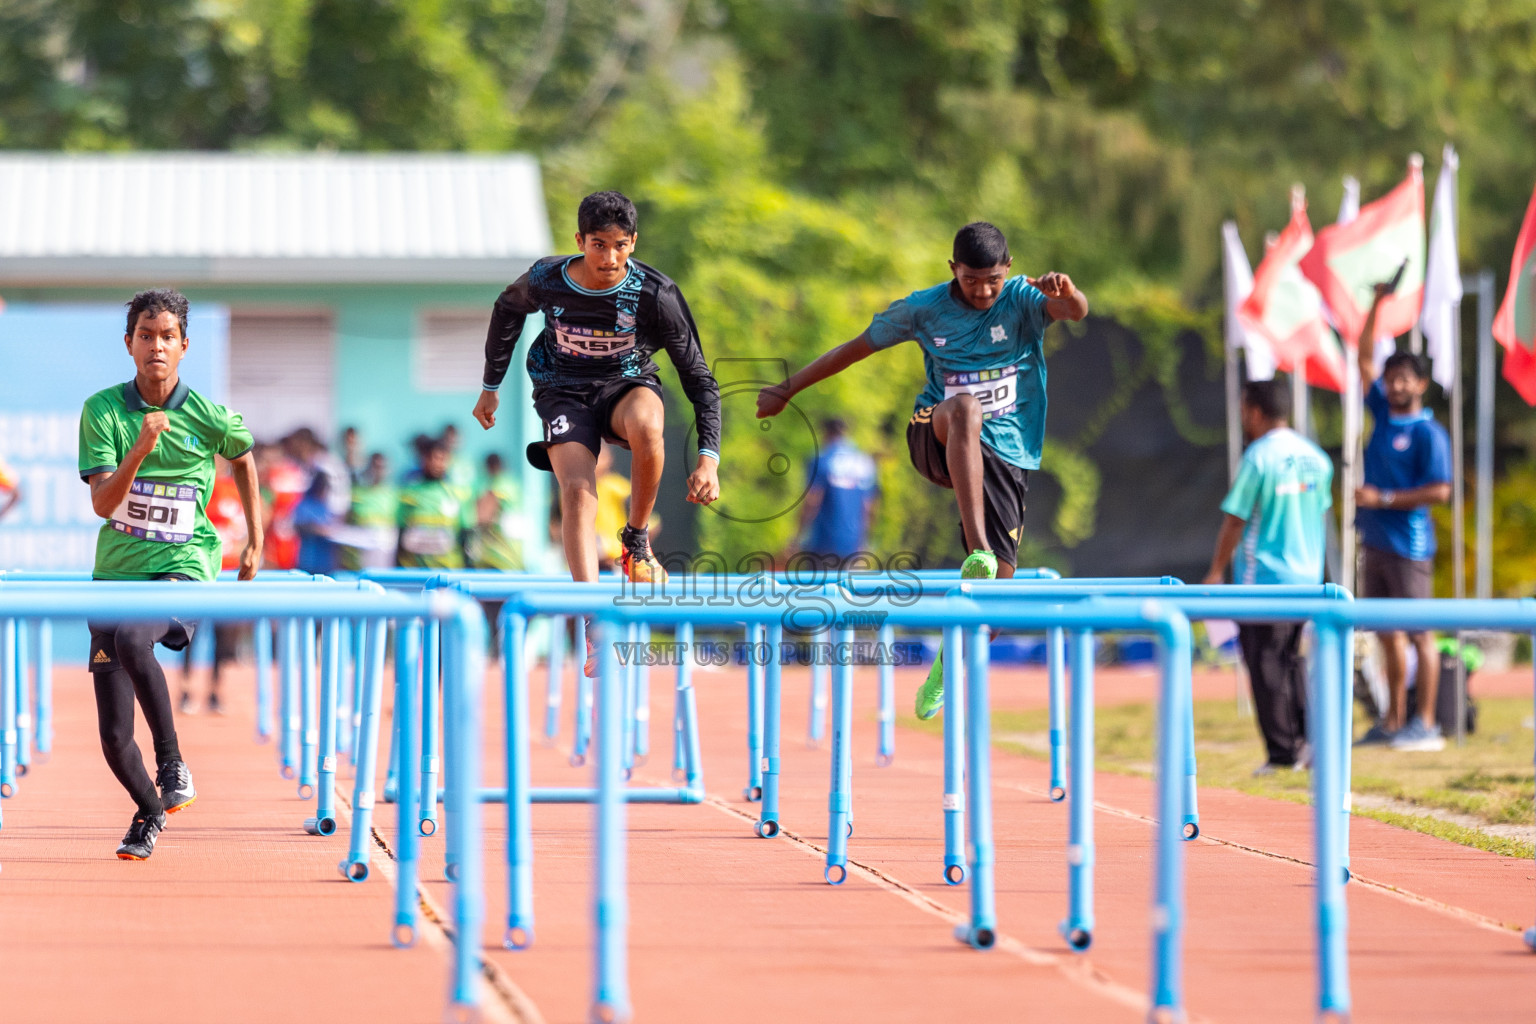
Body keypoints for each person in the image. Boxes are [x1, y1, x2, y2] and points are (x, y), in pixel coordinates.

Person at [756, 222, 1088, 719]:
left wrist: (1071, 293)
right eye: (972, 279)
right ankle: (977, 548)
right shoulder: (924, 308)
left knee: (997, 598)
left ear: (1009, 269)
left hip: (1006, 454)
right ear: (953, 268)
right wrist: (788, 390)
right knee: (966, 409)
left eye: (992, 279)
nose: (982, 290)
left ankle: (946, 663)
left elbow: (1072, 311)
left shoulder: (1021, 298)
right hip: (935, 433)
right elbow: (854, 348)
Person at [78, 288, 262, 860]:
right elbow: (104, 504)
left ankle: (172, 761)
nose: (155, 346)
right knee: (111, 737)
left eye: (166, 337)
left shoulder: (208, 415)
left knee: (136, 636)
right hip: (116, 575)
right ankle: (150, 812)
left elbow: (245, 460)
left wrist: (254, 540)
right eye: (145, 336)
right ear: (129, 344)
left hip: (185, 568)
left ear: (183, 345)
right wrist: (140, 447)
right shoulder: (104, 410)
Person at [473, 190, 722, 587]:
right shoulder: (546, 279)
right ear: (580, 242)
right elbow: (507, 308)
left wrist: (709, 457)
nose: (609, 259)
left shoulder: (655, 293)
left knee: (647, 424)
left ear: (634, 242)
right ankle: (588, 615)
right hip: (562, 390)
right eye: (598, 246)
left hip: (625, 384)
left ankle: (636, 543)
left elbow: (698, 376)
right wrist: (491, 385)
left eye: (620, 247)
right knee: (576, 492)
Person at [1203, 379, 1333, 774]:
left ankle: (1282, 754)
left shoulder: (1259, 457)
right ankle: (1307, 744)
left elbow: (1236, 519)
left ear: (1255, 411)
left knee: (1265, 665)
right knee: (1291, 660)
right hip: (1306, 578)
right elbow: (1319, 511)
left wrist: (1215, 571)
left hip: (1264, 582)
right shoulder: (1316, 457)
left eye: (1244, 409)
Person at [1354, 284, 1454, 752]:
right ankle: (1394, 721)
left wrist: (1383, 498)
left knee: (1419, 635)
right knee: (1386, 635)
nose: (1394, 384)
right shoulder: (1381, 413)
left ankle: (1428, 723)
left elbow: (1441, 490)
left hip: (1409, 545)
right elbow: (1363, 360)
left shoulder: (1428, 432)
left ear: (1421, 385)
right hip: (1373, 542)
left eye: (1404, 378)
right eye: (1390, 377)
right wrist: (1376, 304)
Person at [181, 457, 247, 714]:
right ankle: (186, 691)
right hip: (199, 572)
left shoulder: (235, 491)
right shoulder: (196, 490)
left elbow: (243, 533)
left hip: (227, 573)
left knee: (224, 637)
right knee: (189, 634)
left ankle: (215, 692)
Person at [789, 418, 879, 563]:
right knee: (846, 585)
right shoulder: (865, 463)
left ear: (826, 433)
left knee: (817, 585)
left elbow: (812, 501)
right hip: (853, 544)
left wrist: (797, 536)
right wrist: (865, 540)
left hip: (822, 542)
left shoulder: (822, 459)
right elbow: (869, 507)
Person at [396, 439, 473, 569]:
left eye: (441, 458)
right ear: (423, 459)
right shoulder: (408, 494)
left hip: (448, 573)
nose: (435, 463)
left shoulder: (458, 495)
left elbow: (466, 536)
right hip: (413, 573)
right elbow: (399, 534)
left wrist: (468, 569)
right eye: (431, 458)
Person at [341, 451, 398, 570]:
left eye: (381, 467)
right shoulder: (355, 494)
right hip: (356, 562)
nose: (378, 471)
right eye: (375, 466)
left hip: (384, 561)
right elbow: (343, 525)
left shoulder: (395, 496)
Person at [468, 451, 525, 570]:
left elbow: (482, 516)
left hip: (497, 558)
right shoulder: (513, 485)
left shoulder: (497, 486)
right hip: (516, 558)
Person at [293, 473, 340, 575]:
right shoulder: (305, 504)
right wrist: (318, 530)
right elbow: (298, 526)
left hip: (325, 562)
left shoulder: (325, 506)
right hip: (309, 559)